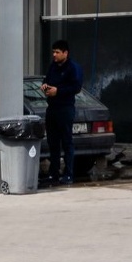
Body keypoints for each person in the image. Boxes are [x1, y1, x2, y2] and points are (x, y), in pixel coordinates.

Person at [41, 39, 83, 186]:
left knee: (66, 142)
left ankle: (69, 174)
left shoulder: (73, 68)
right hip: (52, 108)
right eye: (53, 52)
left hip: (65, 108)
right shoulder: (53, 66)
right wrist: (45, 85)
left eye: (57, 52)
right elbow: (46, 79)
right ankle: (54, 173)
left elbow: (76, 87)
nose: (54, 55)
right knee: (53, 143)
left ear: (65, 53)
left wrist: (58, 91)